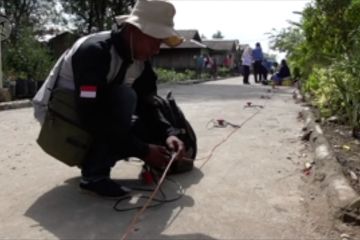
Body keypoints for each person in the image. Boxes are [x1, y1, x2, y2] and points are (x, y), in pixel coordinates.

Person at [35, 0, 187, 197]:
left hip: (91, 112)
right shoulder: (95, 51)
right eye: (155, 40)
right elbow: (91, 115)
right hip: (60, 119)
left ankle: (99, 159)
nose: (157, 49)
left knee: (142, 124)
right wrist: (143, 150)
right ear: (134, 30)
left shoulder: (140, 61)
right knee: (125, 97)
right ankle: (94, 176)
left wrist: (168, 133)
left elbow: (149, 103)